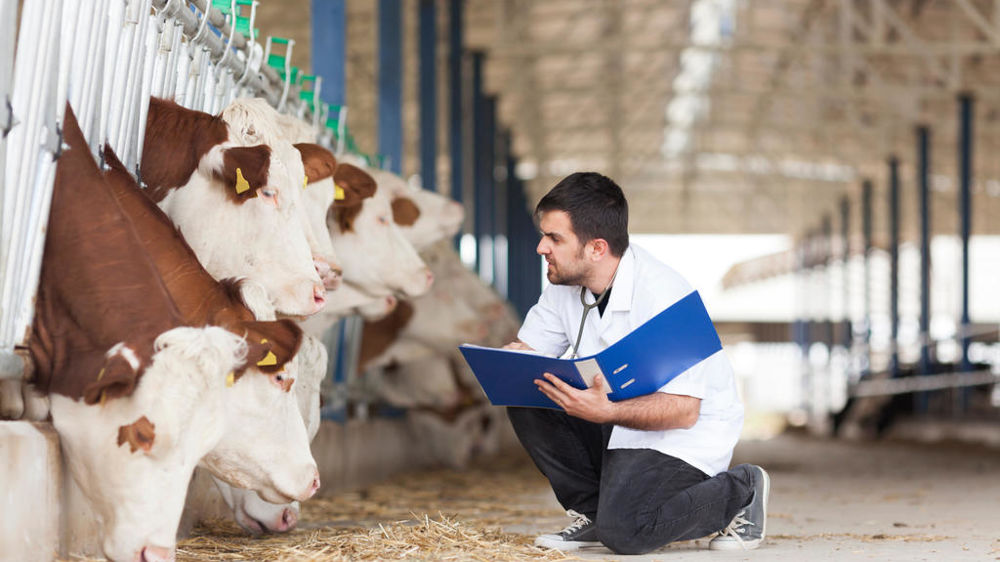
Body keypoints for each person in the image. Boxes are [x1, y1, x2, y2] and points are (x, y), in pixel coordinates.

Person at [504, 172, 769, 554]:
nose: (541, 248)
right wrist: (509, 362)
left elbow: (683, 412)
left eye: (554, 238)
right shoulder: (564, 286)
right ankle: (594, 511)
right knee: (525, 390)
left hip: (680, 436)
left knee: (628, 532)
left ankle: (741, 490)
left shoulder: (665, 296)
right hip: (610, 415)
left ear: (596, 248)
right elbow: (528, 352)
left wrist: (604, 411)